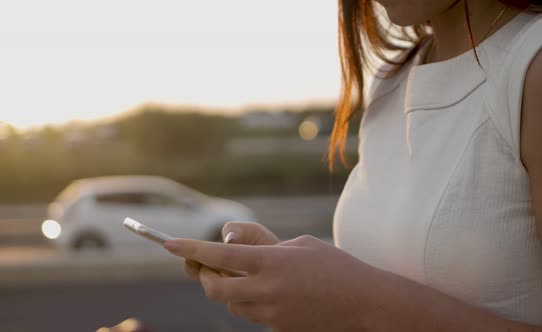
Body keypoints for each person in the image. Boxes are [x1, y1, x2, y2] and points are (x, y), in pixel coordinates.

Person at [162, 0, 542, 330]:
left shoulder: (530, 66)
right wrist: (300, 288)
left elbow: (371, 302)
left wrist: (362, 302)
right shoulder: (390, 80)